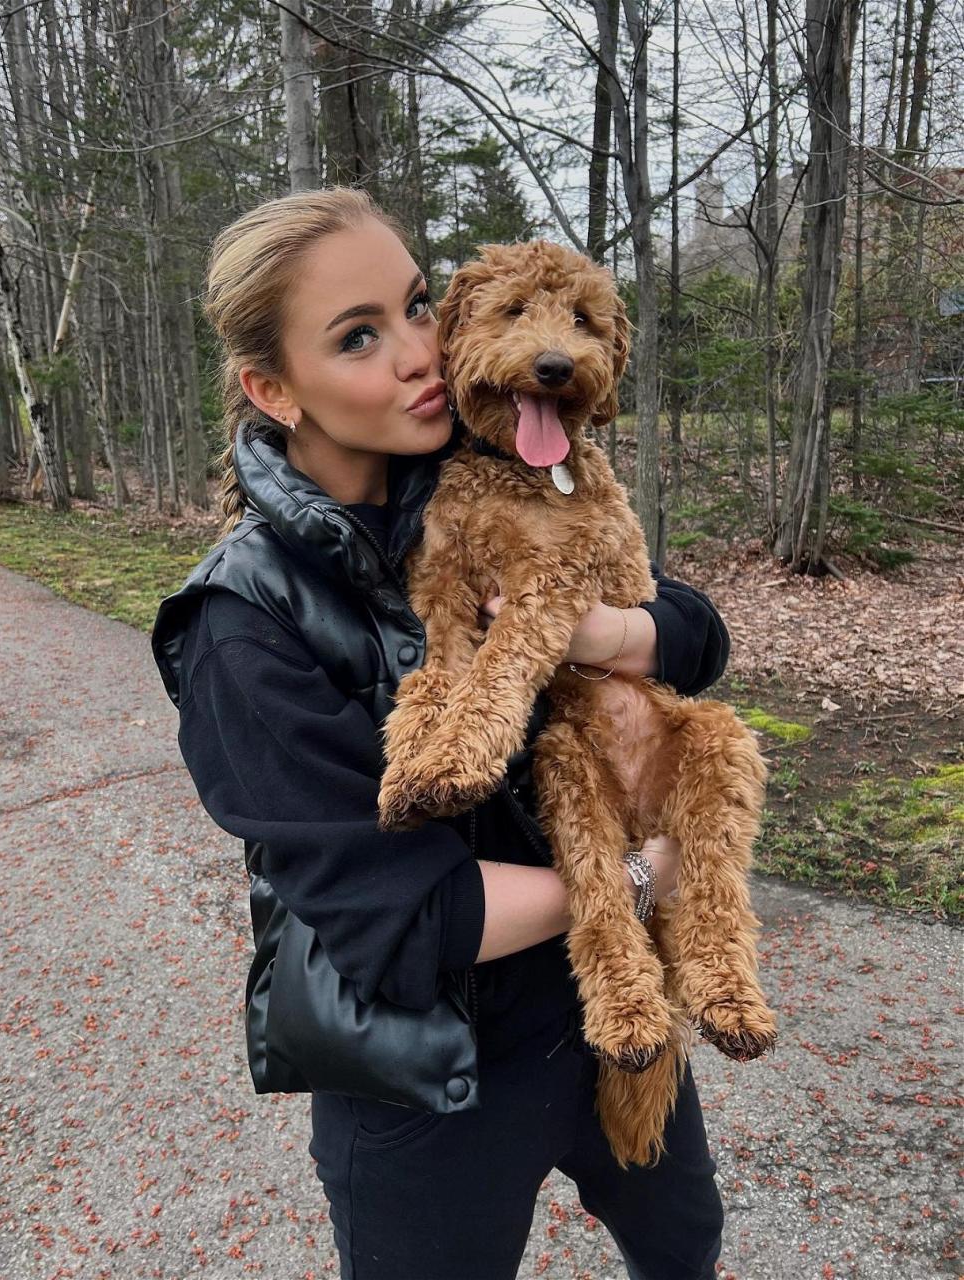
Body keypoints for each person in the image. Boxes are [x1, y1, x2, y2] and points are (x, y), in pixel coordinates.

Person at [151, 187, 730, 1280]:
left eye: (418, 305)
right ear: (273, 389)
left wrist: (607, 630)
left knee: (686, 1242)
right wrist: (645, 877)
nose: (421, 350)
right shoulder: (242, 625)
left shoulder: (500, 458)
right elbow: (400, 917)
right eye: (360, 335)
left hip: (606, 1008)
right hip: (427, 1078)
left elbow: (694, 631)